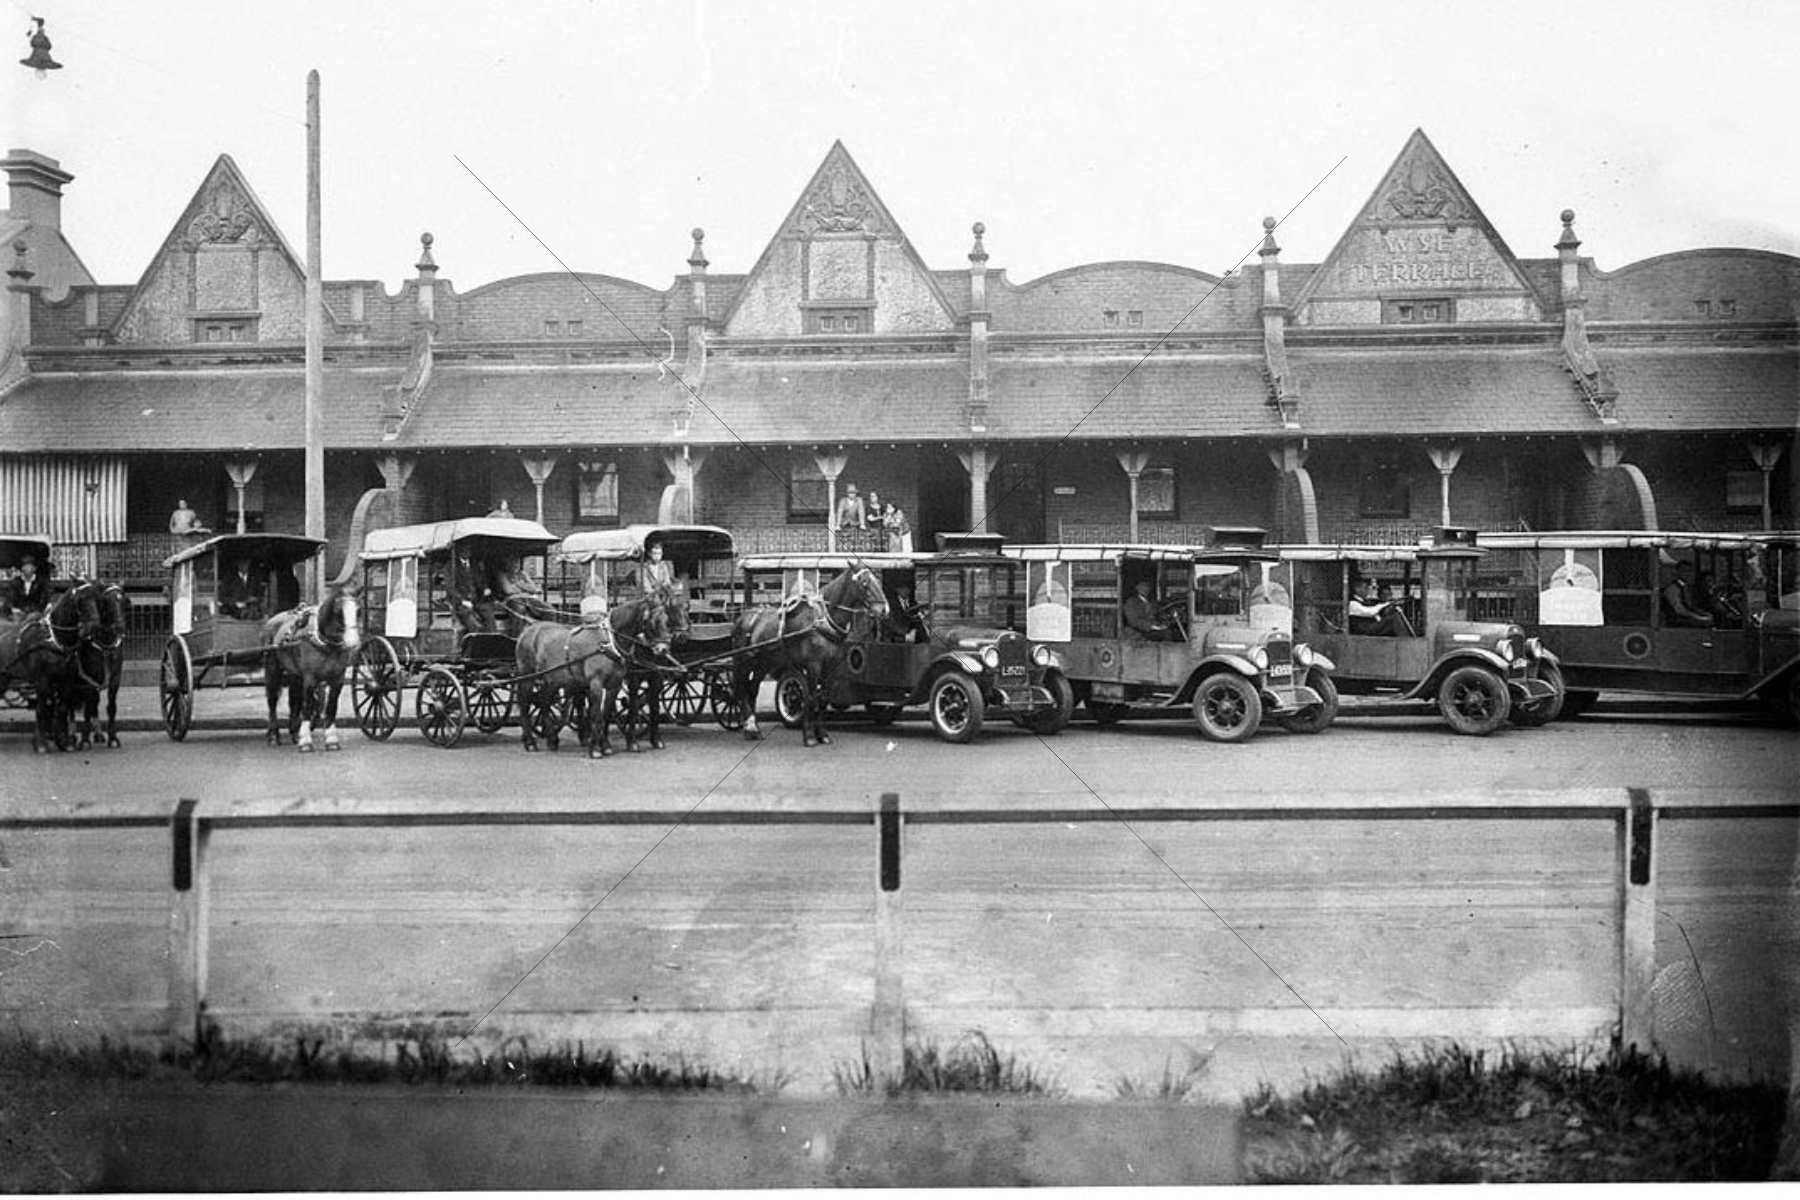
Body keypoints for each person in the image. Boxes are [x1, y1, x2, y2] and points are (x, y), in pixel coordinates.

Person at [1661, 561, 1714, 628]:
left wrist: (1702, 613)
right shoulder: (1672, 588)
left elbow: (1691, 606)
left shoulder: (1686, 588)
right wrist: (1696, 617)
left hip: (1687, 617)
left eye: (1690, 571)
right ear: (1677, 572)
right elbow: (1679, 610)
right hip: (1677, 621)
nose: (1688, 574)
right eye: (1684, 571)